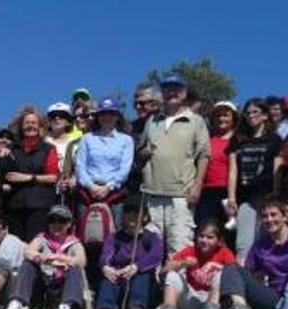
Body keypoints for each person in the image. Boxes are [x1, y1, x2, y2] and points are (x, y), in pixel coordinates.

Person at [138, 75, 211, 254]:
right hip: (152, 194)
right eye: (167, 89)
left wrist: (197, 186)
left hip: (180, 196)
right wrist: (144, 153)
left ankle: (175, 283)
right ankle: (157, 283)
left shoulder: (196, 121)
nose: (172, 92)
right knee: (150, 251)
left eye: (177, 89)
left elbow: (203, 155)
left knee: (179, 250)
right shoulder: (152, 120)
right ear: (162, 93)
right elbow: (140, 153)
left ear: (184, 93)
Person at [5, 205, 87, 309]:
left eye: (62, 221)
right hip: (44, 283)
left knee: (75, 269)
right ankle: (18, 301)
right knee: (28, 264)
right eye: (53, 220)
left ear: (69, 224)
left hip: (62, 286)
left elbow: (81, 261)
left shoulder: (74, 242)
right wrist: (42, 258)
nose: (57, 224)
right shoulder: (42, 238)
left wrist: (58, 258)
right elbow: (28, 252)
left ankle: (65, 308)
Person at [227, 97, 284, 263]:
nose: (251, 116)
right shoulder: (239, 140)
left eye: (255, 112)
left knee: (268, 241)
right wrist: (231, 198)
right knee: (243, 244)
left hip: (267, 198)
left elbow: (277, 170)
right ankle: (243, 282)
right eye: (247, 113)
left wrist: (276, 196)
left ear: (265, 116)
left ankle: (266, 282)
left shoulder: (274, 140)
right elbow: (233, 171)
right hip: (246, 199)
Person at [219, 196, 288, 309]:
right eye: (265, 216)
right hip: (274, 298)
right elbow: (248, 274)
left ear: (285, 216)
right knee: (232, 268)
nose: (269, 220)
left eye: (274, 215)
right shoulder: (261, 246)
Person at [94, 198, 164, 309]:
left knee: (142, 276)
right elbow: (106, 254)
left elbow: (156, 255)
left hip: (139, 275)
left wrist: (137, 266)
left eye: (136, 212)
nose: (132, 215)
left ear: (144, 217)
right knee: (109, 277)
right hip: (119, 274)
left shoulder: (152, 237)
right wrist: (105, 267)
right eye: (128, 211)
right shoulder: (114, 237)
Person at [152, 220, 234, 309]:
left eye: (210, 237)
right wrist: (182, 263)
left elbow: (236, 274)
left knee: (223, 275)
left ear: (219, 241)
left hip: (212, 300)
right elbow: (163, 273)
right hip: (190, 299)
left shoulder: (224, 253)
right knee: (172, 275)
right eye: (201, 236)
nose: (204, 240)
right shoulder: (190, 251)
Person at [4, 106, 60, 242]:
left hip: (40, 206)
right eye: (27, 123)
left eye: (34, 123)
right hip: (15, 205)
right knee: (17, 246)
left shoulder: (48, 149)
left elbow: (53, 177)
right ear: (21, 127)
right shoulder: (11, 150)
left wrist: (28, 177)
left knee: (35, 245)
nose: (31, 126)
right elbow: (7, 175)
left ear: (40, 127)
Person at [73, 97, 134, 220]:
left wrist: (108, 187)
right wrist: (91, 186)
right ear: (98, 116)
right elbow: (80, 166)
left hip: (114, 194)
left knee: (113, 234)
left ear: (117, 116)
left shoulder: (126, 140)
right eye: (103, 114)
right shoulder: (87, 138)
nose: (107, 117)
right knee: (87, 234)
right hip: (88, 193)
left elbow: (124, 169)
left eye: (111, 113)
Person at [194, 101, 238, 227]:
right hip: (206, 192)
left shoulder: (237, 140)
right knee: (205, 228)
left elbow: (233, 170)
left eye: (225, 115)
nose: (221, 119)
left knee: (228, 231)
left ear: (233, 118)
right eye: (218, 115)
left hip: (226, 191)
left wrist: (231, 197)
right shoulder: (207, 140)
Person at [45, 102, 80, 171]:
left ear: (69, 122)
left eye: (62, 115)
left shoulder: (76, 144)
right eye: (53, 116)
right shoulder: (42, 142)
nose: (57, 118)